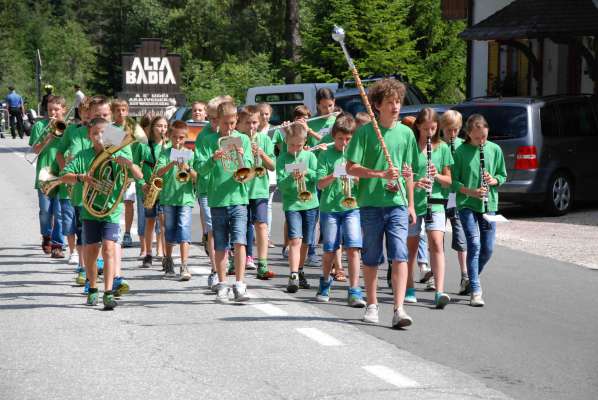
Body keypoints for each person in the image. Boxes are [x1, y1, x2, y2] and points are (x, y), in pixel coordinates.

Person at [345, 78, 418, 328]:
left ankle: (399, 309)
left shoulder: (407, 133)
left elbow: (408, 172)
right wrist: (379, 174)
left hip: (397, 203)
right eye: (390, 102)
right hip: (371, 204)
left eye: (398, 102)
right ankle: (373, 304)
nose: (396, 107)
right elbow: (351, 168)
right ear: (377, 105)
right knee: (372, 257)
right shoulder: (366, 133)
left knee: (399, 255)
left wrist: (410, 204)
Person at [61, 117, 142, 310]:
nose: (99, 137)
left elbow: (139, 176)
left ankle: (107, 292)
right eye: (95, 134)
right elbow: (65, 175)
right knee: (91, 251)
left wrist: (129, 165)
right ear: (89, 137)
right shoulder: (83, 156)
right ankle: (92, 289)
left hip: (111, 211)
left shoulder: (117, 153)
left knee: (108, 248)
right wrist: (82, 178)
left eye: (103, 134)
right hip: (90, 211)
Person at [196, 101, 253, 302]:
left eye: (232, 123)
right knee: (221, 244)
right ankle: (222, 283)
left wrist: (242, 159)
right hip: (217, 198)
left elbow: (250, 172)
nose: (229, 128)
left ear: (236, 120)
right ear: (217, 121)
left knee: (239, 241)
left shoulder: (243, 139)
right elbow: (200, 169)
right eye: (225, 123)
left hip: (239, 198)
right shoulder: (208, 140)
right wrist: (212, 159)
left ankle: (240, 284)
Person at [452, 114, 507, 307]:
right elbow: (454, 183)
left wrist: (494, 180)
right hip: (467, 203)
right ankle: (476, 289)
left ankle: (471, 277)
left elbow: (502, 174)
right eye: (477, 138)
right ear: (468, 134)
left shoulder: (494, 149)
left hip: (488, 204)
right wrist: (471, 191)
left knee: (488, 249)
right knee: (474, 244)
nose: (481, 141)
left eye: (484, 137)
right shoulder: (460, 152)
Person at [315, 113, 366, 307]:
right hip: (330, 208)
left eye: (348, 139)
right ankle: (325, 282)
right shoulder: (325, 154)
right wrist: (335, 174)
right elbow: (319, 184)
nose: (344, 143)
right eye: (340, 139)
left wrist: (355, 176)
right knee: (330, 249)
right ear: (333, 136)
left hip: (352, 207)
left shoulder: (356, 155)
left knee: (353, 248)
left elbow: (364, 180)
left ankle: (354, 290)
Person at [404, 108, 453, 309]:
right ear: (418, 127)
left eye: (433, 128)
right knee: (412, 246)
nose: (429, 132)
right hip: (414, 202)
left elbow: (449, 180)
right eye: (425, 129)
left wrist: (436, 176)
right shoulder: (411, 147)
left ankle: (440, 290)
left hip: (436, 201)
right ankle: (408, 287)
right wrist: (416, 184)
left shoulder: (442, 148)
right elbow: (404, 177)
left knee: (436, 242)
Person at [193, 95, 234, 289]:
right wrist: (213, 158)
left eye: (215, 117)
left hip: (227, 189)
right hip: (207, 188)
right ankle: (214, 270)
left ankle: (226, 260)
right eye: (210, 117)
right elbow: (199, 164)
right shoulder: (203, 136)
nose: (212, 121)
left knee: (230, 228)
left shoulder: (232, 134)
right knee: (212, 228)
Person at [276, 123, 318, 293]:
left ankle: (300, 270)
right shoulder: (282, 159)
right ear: (286, 141)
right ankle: (293, 274)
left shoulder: (310, 156)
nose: (295, 148)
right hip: (292, 204)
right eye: (292, 145)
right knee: (295, 240)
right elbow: (281, 184)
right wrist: (290, 178)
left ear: (304, 142)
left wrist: (307, 173)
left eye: (299, 145)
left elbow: (319, 177)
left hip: (310, 203)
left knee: (307, 241)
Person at [237, 105, 276, 279]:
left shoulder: (265, 139)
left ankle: (263, 263)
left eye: (254, 123)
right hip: (241, 189)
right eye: (248, 123)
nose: (251, 126)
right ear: (240, 123)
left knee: (261, 225)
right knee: (240, 227)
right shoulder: (237, 139)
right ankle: (237, 260)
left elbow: (273, 166)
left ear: (259, 123)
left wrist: (261, 153)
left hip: (260, 188)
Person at [154, 121, 197, 280]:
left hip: (185, 197)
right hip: (168, 197)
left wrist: (187, 168)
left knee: (184, 228)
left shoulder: (190, 154)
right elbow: (158, 173)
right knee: (169, 229)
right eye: (174, 137)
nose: (177, 141)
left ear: (185, 138)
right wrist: (172, 162)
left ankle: (184, 265)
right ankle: (169, 260)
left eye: (181, 138)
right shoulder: (164, 153)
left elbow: (196, 178)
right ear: (169, 137)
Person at [29, 95, 68, 257]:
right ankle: (46, 236)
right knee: (45, 210)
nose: (53, 112)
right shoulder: (40, 126)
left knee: (59, 212)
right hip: (45, 172)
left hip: (63, 172)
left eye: (57, 109)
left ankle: (58, 244)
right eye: (50, 109)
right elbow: (35, 150)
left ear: (64, 110)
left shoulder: (69, 127)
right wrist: (48, 137)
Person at [439, 110, 469, 294]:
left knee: (460, 235)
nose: (452, 134)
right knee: (437, 237)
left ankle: (464, 275)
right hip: (439, 197)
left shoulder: (462, 147)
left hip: (457, 198)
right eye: (449, 130)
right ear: (442, 129)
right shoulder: (439, 146)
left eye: (456, 130)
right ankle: (436, 274)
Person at [139, 115, 168, 268]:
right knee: (150, 221)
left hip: (164, 189)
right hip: (149, 187)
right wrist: (141, 183)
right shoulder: (145, 146)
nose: (162, 129)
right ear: (152, 128)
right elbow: (136, 165)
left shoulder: (168, 146)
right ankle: (148, 253)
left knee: (163, 222)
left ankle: (164, 254)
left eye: (165, 126)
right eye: (159, 126)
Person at [111, 99, 136, 248]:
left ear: (127, 111)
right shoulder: (112, 129)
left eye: (123, 110)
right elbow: (109, 151)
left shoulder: (132, 128)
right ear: (113, 113)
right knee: (116, 202)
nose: (121, 113)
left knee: (129, 202)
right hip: (116, 171)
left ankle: (127, 233)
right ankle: (115, 229)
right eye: (117, 110)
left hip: (130, 171)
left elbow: (139, 149)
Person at [256, 102, 276, 249]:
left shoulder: (275, 131)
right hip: (254, 172)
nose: (264, 117)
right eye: (261, 114)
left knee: (267, 205)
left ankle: (266, 236)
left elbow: (284, 148)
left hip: (269, 171)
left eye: (267, 114)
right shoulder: (252, 128)